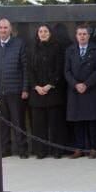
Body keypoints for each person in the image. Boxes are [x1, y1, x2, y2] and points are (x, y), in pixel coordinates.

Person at [0, 18, 31, 159]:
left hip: (15, 91)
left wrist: (25, 88)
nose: (3, 30)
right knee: (2, 123)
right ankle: (5, 149)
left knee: (18, 122)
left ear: (10, 29)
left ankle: (22, 149)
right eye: (0, 28)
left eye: (5, 28)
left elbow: (25, 68)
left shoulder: (19, 44)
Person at [65, 24, 96, 159]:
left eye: (84, 34)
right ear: (76, 36)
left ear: (88, 35)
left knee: (92, 120)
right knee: (78, 121)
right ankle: (79, 148)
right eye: (79, 34)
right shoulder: (70, 50)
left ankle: (94, 148)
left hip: (91, 90)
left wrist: (86, 84)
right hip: (75, 90)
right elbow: (66, 71)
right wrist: (76, 84)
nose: (82, 36)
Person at [27, 23, 66, 159]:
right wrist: (36, 86)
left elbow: (59, 68)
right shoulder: (32, 49)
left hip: (53, 91)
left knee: (55, 124)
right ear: (37, 34)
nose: (43, 33)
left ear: (50, 33)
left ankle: (57, 150)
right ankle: (40, 151)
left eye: (46, 31)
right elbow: (30, 70)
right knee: (39, 125)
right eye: (40, 31)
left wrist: (50, 85)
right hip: (37, 93)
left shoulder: (57, 48)